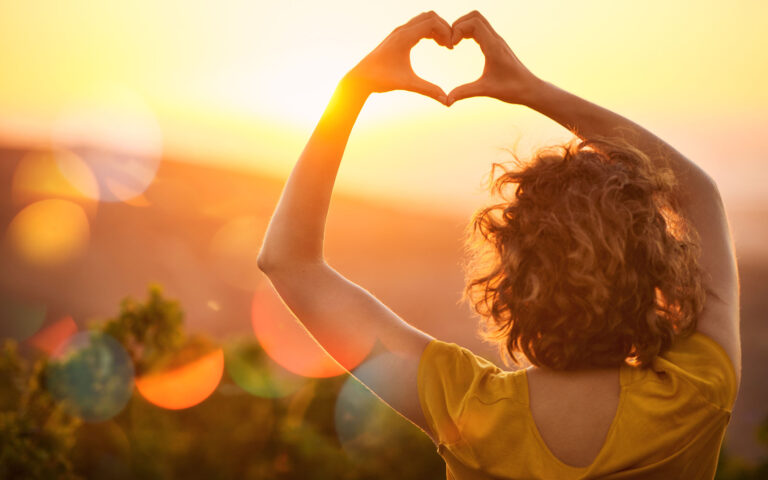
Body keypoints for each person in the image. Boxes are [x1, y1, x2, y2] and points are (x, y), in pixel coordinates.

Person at [257, 10, 741, 479]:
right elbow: (697, 194)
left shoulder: (467, 408)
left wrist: (353, 89)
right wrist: (533, 91)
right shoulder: (695, 394)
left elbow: (288, 261)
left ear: (511, 275)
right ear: (655, 270)